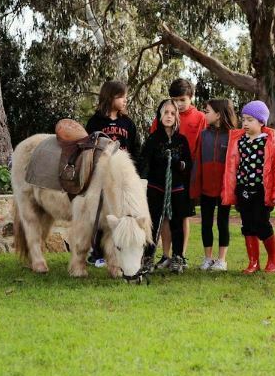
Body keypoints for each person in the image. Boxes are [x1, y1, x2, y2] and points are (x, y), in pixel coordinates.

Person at [221, 100, 275, 274]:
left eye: (250, 120)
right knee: (247, 225)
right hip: (243, 189)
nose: (245, 123)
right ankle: (253, 262)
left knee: (261, 223)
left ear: (261, 122)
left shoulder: (270, 144)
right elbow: (232, 167)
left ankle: (273, 257)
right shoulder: (239, 141)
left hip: (261, 191)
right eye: (243, 119)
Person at [150, 79, 206, 267]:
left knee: (182, 216)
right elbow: (154, 140)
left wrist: (192, 172)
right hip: (163, 176)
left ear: (191, 97)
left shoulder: (200, 118)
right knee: (165, 215)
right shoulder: (164, 115)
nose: (179, 104)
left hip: (186, 174)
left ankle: (179, 256)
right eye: (175, 100)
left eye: (182, 100)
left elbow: (201, 147)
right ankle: (165, 255)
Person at [85, 80, 140, 267]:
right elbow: (88, 149)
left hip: (122, 179)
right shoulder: (95, 122)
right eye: (121, 96)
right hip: (101, 177)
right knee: (100, 215)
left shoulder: (128, 124)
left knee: (119, 215)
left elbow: (135, 150)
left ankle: (117, 252)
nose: (125, 100)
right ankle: (97, 254)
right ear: (110, 97)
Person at [139, 99, 193, 274]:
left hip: (176, 188)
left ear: (176, 117)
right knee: (153, 223)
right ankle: (148, 257)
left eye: (172, 113)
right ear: (160, 116)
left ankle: (177, 257)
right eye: (166, 113)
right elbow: (144, 162)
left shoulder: (182, 140)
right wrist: (144, 180)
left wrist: (180, 164)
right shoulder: (153, 139)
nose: (169, 116)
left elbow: (188, 164)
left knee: (177, 222)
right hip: (156, 187)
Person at [191, 99, 238, 271]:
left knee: (222, 223)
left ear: (218, 115)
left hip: (224, 189)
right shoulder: (204, 135)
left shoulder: (233, 136)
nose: (205, 114)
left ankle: (222, 260)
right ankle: (208, 258)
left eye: (207, 111)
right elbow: (198, 160)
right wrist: (195, 186)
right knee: (206, 223)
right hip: (206, 188)